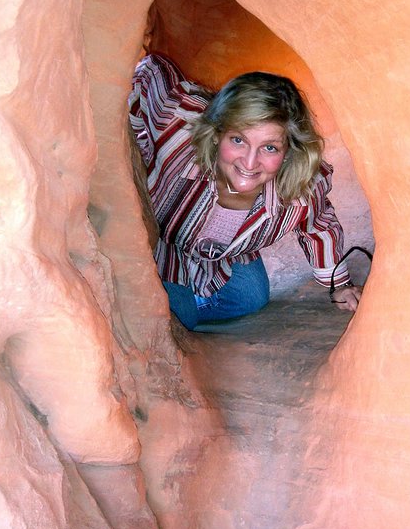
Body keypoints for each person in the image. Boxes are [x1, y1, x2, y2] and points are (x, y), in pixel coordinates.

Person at [128, 51, 362, 332]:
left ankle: (193, 301)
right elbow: (150, 70)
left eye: (270, 147)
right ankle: (183, 303)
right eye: (238, 139)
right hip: (161, 244)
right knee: (177, 320)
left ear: (289, 152)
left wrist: (339, 285)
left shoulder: (301, 188)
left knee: (251, 298)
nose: (249, 163)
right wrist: (136, 148)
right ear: (217, 134)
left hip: (222, 252)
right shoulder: (178, 124)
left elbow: (319, 224)